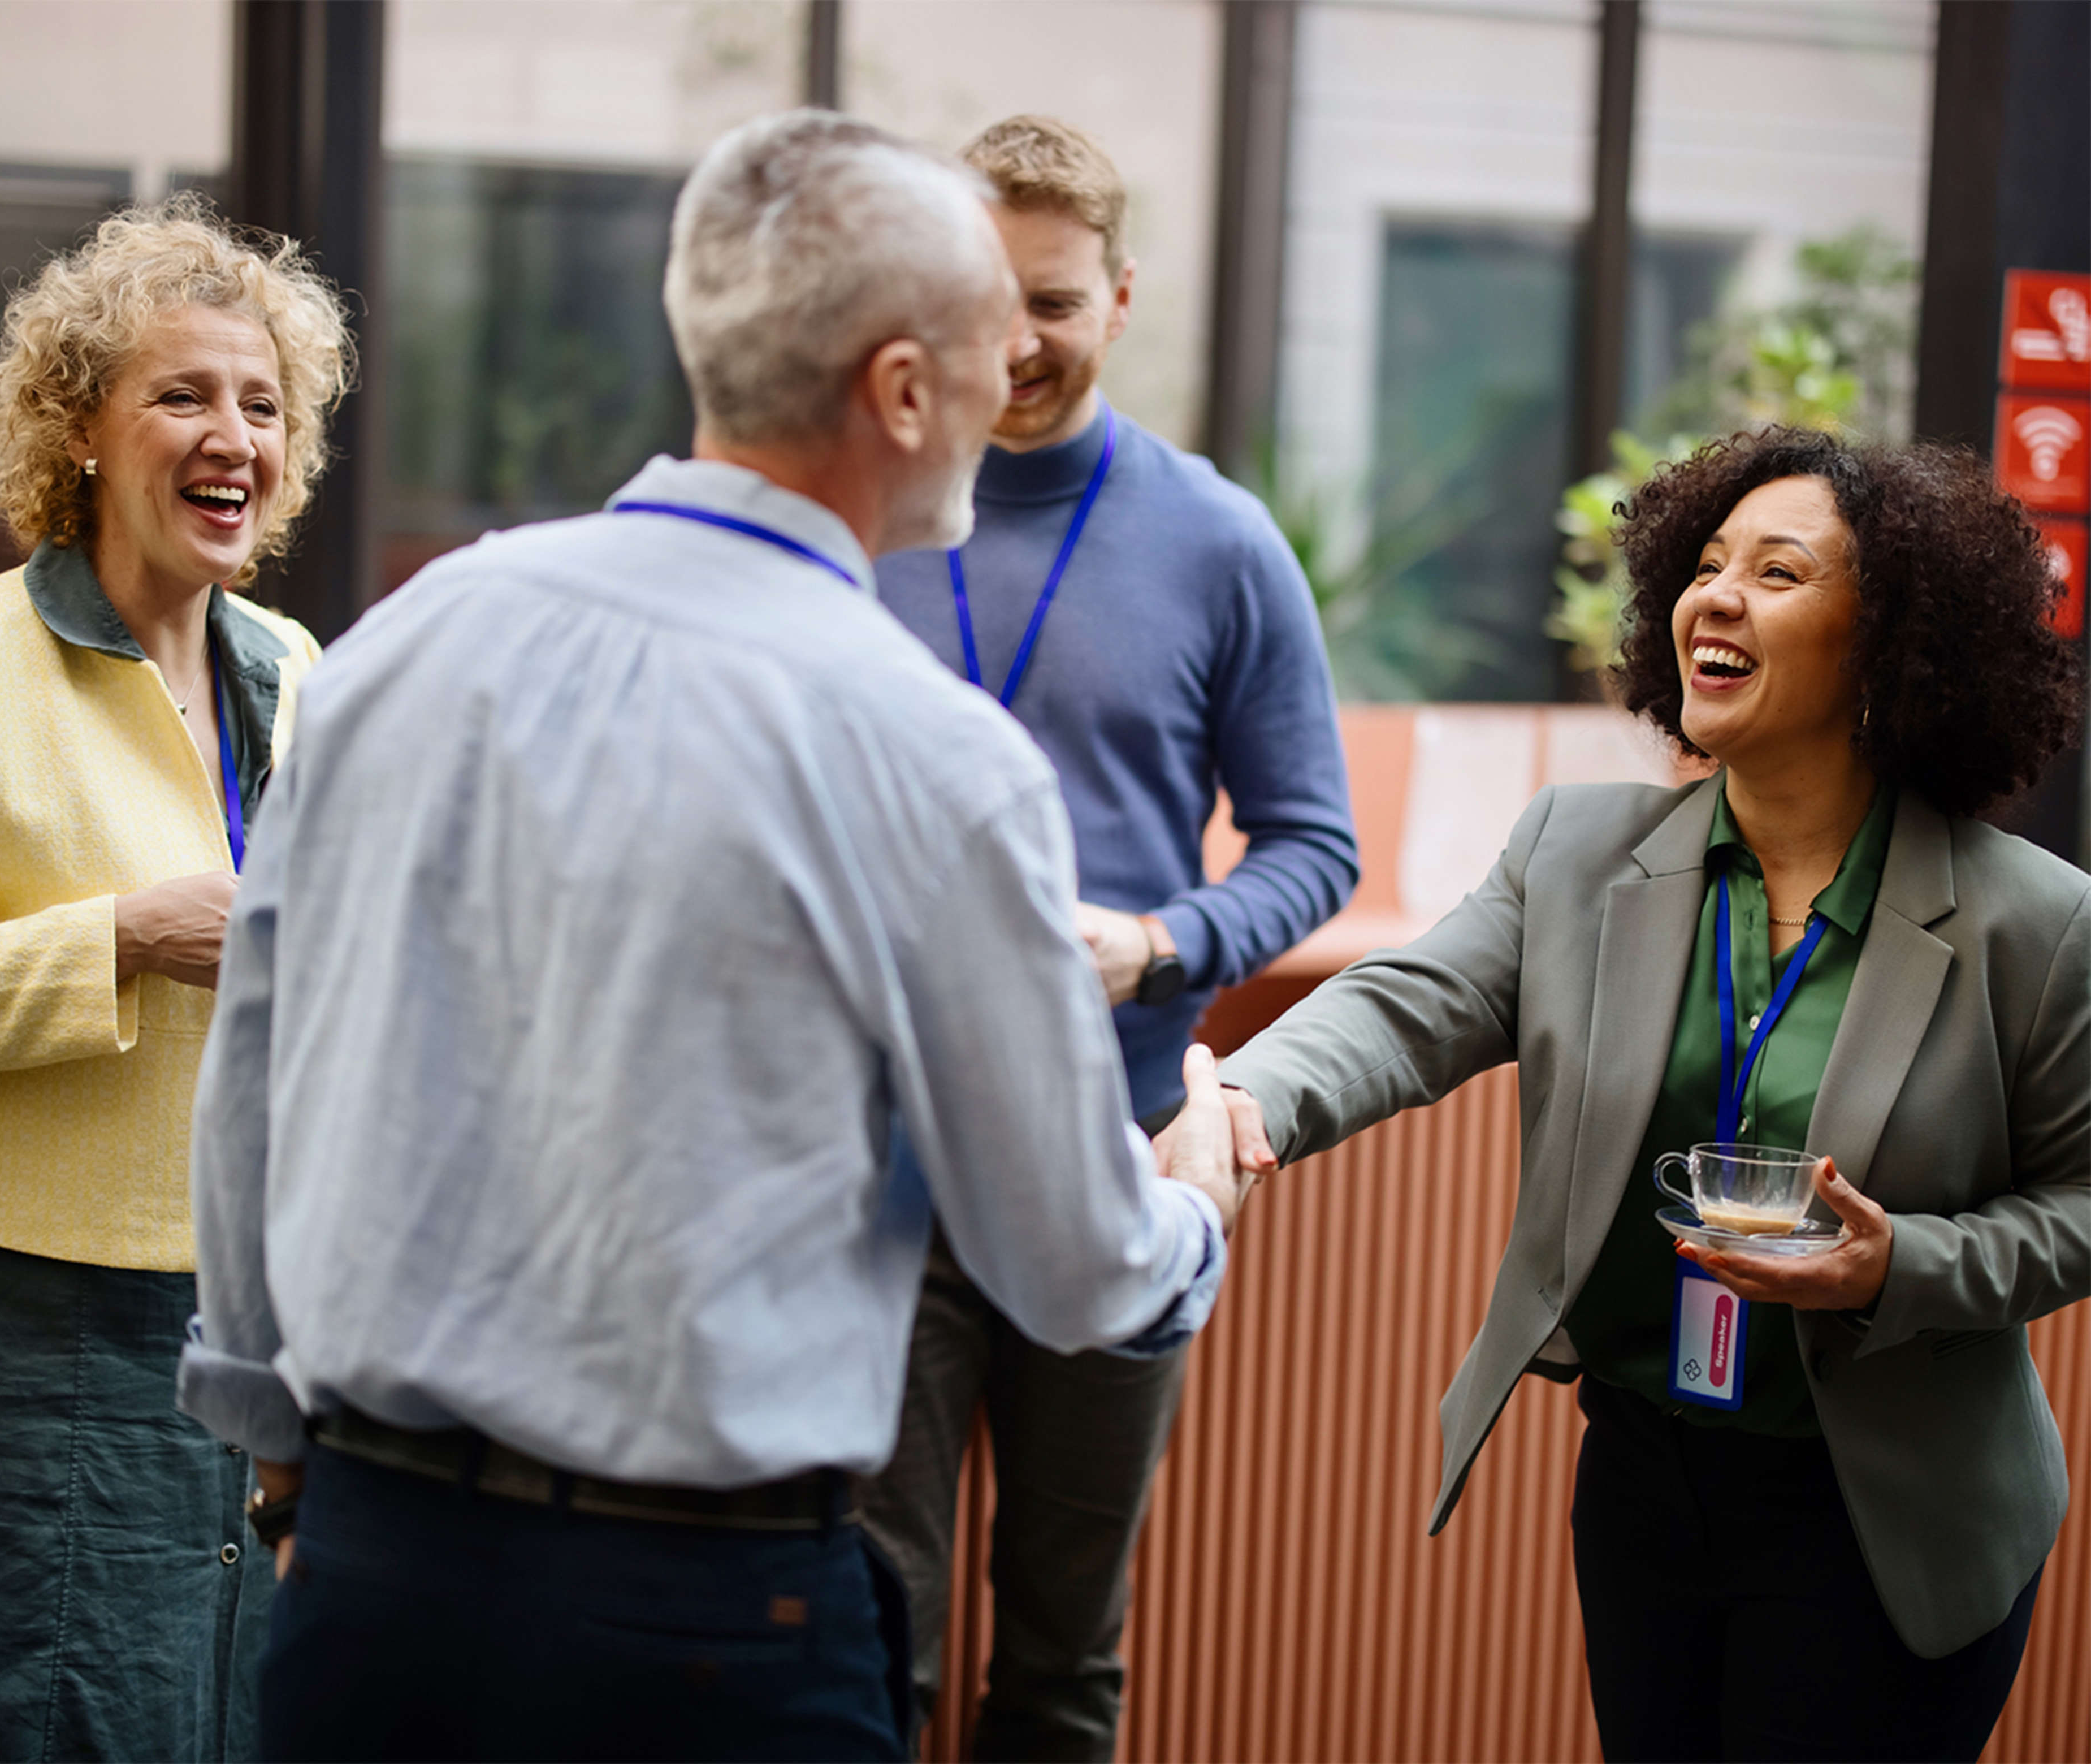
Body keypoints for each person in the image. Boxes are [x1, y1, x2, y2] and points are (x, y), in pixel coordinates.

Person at [175, 110, 1249, 1764]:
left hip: (373, 1588)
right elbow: (1069, 1261)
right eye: (981, 351)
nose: (1004, 387)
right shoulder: (938, 756)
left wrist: (282, 1468)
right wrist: (1190, 1207)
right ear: (903, 390)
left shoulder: (410, 638)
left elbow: (251, 1077)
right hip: (707, 1636)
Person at [1184, 428, 2088, 1762]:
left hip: (1886, 1513)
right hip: (1645, 1483)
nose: (1714, 597)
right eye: (1706, 564)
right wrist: (1246, 1103)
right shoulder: (1576, 852)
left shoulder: (2039, 922)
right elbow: (1407, 1007)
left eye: (1778, 573)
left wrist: (1908, 1266)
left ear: (1891, 641)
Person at [860, 114, 1357, 1759]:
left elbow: (1314, 847)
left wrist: (1158, 943)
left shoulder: (1219, 541)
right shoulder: (848, 511)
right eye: (984, 291)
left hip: (1120, 1155)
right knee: (877, 1633)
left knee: (1065, 1662)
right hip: (882, 1166)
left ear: (1121, 300)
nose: (1017, 338)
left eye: (1055, 301)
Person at [0, 196, 349, 1762]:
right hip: (9, 1338)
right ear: (79, 431)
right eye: (181, 393)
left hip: (241, 1331)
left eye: (261, 403)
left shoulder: (300, 673)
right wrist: (122, 938)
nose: (231, 431)